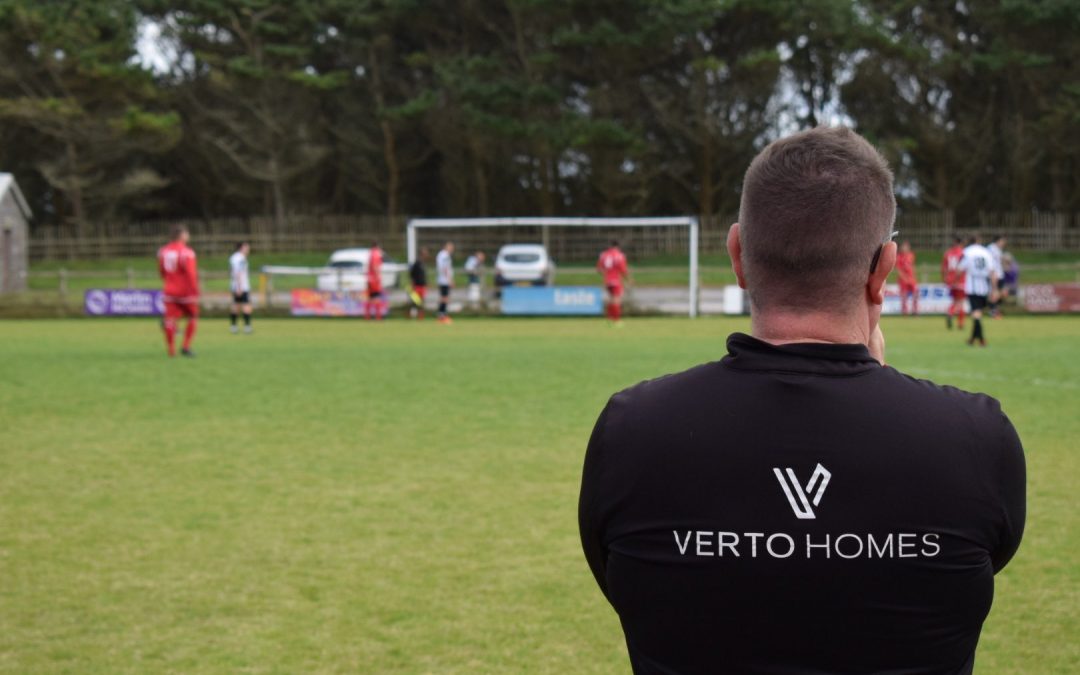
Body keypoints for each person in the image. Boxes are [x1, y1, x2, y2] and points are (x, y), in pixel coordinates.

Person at [579, 127, 1025, 675]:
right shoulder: (975, 437)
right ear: (884, 269)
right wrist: (878, 390)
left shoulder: (632, 430)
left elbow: (623, 580)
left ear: (738, 255)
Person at [157, 225, 200, 357]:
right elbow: (191, 273)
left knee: (170, 319)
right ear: (181, 235)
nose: (188, 236)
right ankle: (186, 347)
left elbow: (162, 271)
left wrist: (169, 282)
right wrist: (194, 290)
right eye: (187, 233)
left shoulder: (162, 251)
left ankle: (171, 350)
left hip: (169, 290)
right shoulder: (187, 252)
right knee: (193, 316)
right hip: (185, 291)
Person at [958, 234, 998, 347]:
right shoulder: (986, 252)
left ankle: (981, 339)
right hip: (985, 286)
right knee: (977, 313)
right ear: (979, 241)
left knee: (976, 314)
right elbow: (992, 272)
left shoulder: (967, 252)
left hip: (972, 286)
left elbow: (960, 268)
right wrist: (994, 289)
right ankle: (972, 339)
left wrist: (954, 279)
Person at [597, 240, 629, 323]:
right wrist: (629, 279)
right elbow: (623, 270)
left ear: (610, 246)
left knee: (610, 299)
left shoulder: (603, 254)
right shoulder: (620, 255)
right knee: (616, 299)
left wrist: (606, 274)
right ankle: (616, 320)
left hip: (607, 280)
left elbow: (599, 269)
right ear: (618, 246)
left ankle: (609, 318)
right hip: (616, 280)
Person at [942, 236, 967, 330]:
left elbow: (944, 268)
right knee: (961, 302)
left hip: (951, 281)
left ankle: (950, 313)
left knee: (955, 301)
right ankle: (959, 322)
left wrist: (945, 279)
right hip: (961, 280)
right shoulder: (964, 253)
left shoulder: (948, 253)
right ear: (961, 243)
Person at [228, 241, 253, 334]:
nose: (248, 248)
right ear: (241, 248)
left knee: (236, 305)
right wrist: (239, 287)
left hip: (237, 285)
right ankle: (247, 327)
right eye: (246, 247)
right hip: (241, 286)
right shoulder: (239, 258)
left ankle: (233, 326)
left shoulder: (235, 257)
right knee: (246, 305)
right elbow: (237, 272)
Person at [895, 240, 918, 315]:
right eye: (904, 246)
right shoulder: (898, 257)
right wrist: (904, 278)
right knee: (904, 296)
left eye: (906, 246)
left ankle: (915, 310)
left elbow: (912, 267)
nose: (905, 248)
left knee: (916, 293)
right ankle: (905, 311)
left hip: (911, 278)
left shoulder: (911, 255)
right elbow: (898, 269)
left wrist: (912, 277)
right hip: (903, 279)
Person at [365, 241, 386, 320]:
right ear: (378, 246)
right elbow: (375, 265)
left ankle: (367, 316)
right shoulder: (376, 253)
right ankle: (378, 317)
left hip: (369, 279)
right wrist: (377, 276)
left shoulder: (370, 253)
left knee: (371, 298)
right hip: (374, 279)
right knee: (377, 297)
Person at [987, 235, 1007, 317]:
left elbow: (999, 261)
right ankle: (993, 310)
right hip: (994, 275)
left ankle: (994, 309)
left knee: (1003, 293)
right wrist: (992, 273)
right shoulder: (991, 249)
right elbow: (989, 262)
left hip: (1000, 274)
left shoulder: (998, 250)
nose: (1004, 243)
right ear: (998, 241)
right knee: (995, 293)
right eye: (1003, 241)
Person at [436, 241, 454, 324]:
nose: (452, 249)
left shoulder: (441, 254)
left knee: (444, 298)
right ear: (447, 247)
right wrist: (449, 279)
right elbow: (445, 268)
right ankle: (442, 316)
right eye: (451, 247)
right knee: (445, 298)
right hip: (444, 280)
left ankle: (442, 315)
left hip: (442, 279)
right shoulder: (445, 255)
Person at [409, 247, 430, 320]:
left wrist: (426, 284)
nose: (427, 255)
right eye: (425, 253)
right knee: (415, 302)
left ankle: (420, 317)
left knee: (421, 302)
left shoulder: (423, 264)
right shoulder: (417, 263)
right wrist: (412, 285)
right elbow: (412, 274)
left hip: (422, 286)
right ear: (422, 254)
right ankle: (411, 315)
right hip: (417, 286)